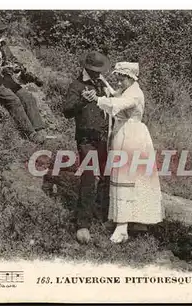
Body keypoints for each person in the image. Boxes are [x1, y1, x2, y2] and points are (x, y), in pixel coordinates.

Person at [82, 62, 163, 243]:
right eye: (117, 78)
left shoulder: (134, 94)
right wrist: (104, 84)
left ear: (130, 77)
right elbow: (115, 94)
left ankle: (123, 226)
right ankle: (130, 221)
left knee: (126, 177)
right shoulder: (129, 89)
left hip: (131, 136)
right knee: (128, 177)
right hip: (126, 134)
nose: (118, 82)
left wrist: (97, 99)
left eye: (121, 78)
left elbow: (117, 104)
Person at [0, 20, 49, 144]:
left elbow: (11, 58)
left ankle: (39, 128)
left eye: (2, 32)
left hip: (4, 78)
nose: (0, 34)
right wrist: (2, 70)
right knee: (14, 101)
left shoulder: (2, 44)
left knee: (28, 97)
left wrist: (17, 66)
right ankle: (30, 133)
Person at [62, 51, 111, 244]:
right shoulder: (77, 85)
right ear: (87, 68)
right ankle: (82, 225)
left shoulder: (103, 83)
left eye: (99, 71)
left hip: (103, 138)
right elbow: (66, 111)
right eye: (94, 71)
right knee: (89, 178)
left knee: (106, 178)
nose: (97, 74)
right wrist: (83, 99)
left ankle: (100, 216)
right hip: (86, 139)